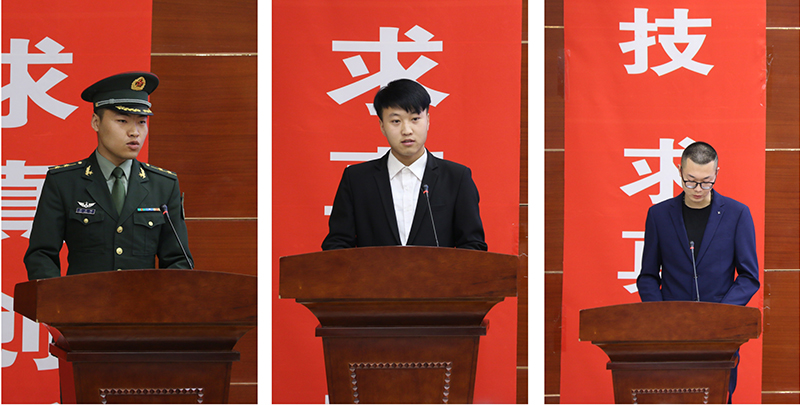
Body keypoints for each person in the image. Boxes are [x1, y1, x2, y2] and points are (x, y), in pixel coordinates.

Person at [24, 72, 193, 280]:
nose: (134, 132)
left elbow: (179, 260)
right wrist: (59, 299)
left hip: (142, 300)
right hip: (82, 300)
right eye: (122, 121)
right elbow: (41, 255)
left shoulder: (163, 185)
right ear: (96, 122)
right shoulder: (64, 182)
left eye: (141, 122)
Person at [636, 141, 759, 403]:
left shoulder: (737, 214)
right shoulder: (659, 215)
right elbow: (648, 276)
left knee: (715, 397)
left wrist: (719, 315)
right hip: (671, 331)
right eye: (690, 181)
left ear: (716, 174)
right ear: (679, 171)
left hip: (720, 333)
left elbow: (749, 277)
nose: (698, 190)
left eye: (706, 182)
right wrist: (660, 315)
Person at [322, 79, 487, 251]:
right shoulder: (357, 179)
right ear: (382, 126)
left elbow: (473, 246)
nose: (407, 130)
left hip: (439, 270)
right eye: (396, 121)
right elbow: (337, 245)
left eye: (415, 119)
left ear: (428, 120)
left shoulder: (456, 178)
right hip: (374, 270)